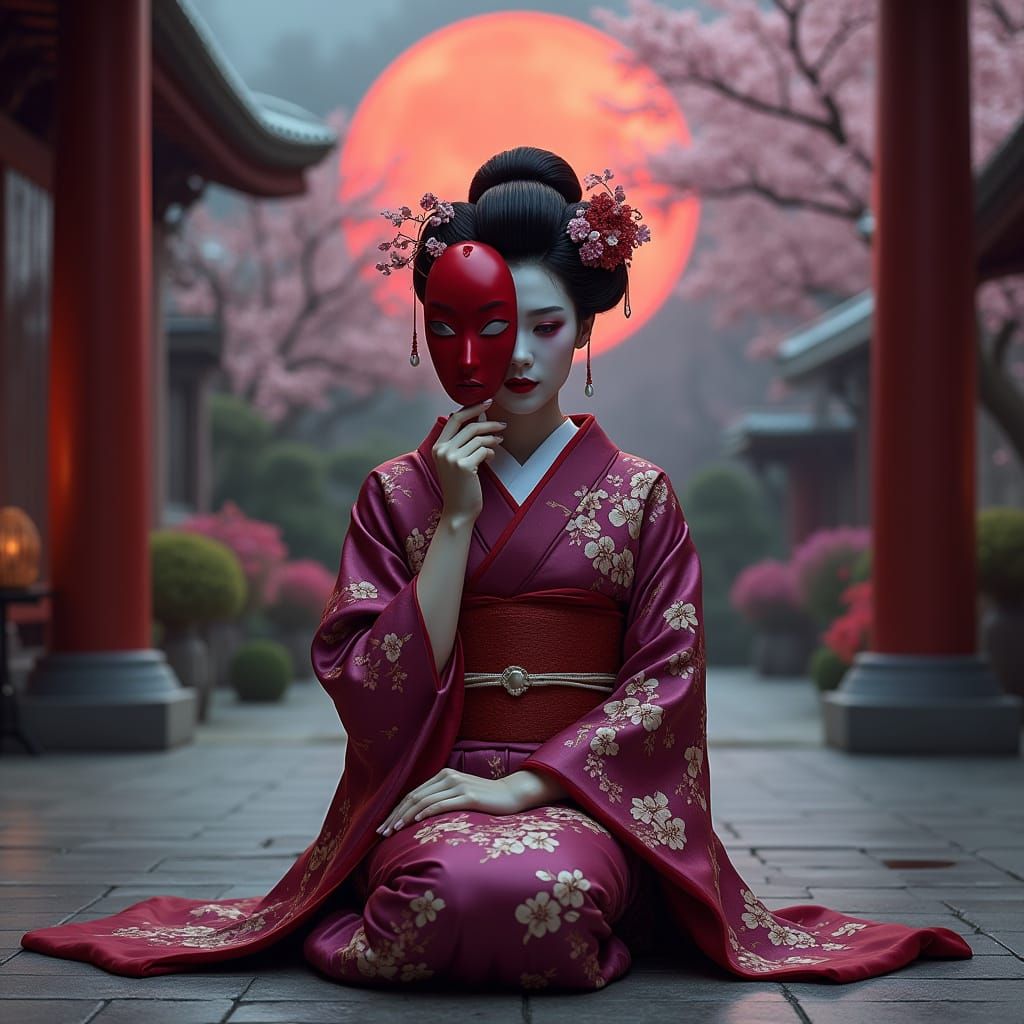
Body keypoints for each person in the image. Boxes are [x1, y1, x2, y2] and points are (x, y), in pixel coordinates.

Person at [20, 146, 972, 990]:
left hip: (579, 793)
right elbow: (370, 685)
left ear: (588, 328)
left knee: (539, 891)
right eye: (489, 322)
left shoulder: (642, 496)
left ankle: (594, 899)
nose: (515, 354)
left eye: (546, 325)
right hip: (433, 777)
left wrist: (525, 786)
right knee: (454, 890)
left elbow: (666, 687)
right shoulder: (398, 493)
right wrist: (457, 518)